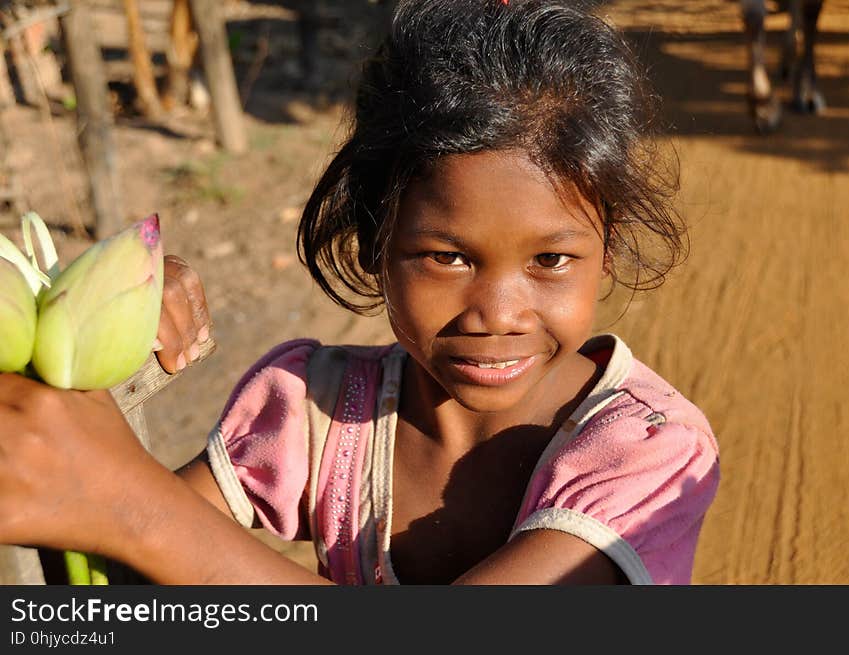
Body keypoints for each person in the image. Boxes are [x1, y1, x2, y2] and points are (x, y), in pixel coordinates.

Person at [0, 0, 719, 585]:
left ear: (609, 248)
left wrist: (133, 506)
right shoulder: (313, 408)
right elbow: (124, 578)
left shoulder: (648, 456)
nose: (498, 313)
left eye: (552, 259)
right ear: (376, 239)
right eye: (446, 256)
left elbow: (141, 520)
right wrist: (110, 324)